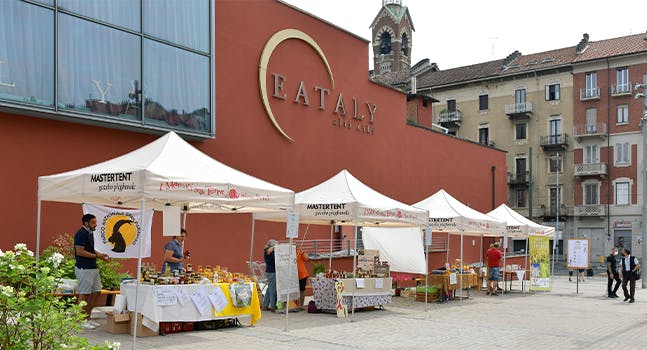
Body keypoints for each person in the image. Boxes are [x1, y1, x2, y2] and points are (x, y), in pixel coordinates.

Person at [74, 213, 109, 330]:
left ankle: (87, 318)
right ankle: (80, 320)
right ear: (86, 223)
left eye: (96, 222)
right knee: (84, 293)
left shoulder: (89, 233)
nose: (96, 225)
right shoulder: (81, 234)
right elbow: (80, 251)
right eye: (93, 223)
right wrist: (96, 256)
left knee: (96, 292)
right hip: (84, 268)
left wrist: (100, 255)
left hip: (92, 267)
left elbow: (90, 249)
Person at [261, 239, 278, 311]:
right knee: (272, 289)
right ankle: (273, 306)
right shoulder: (269, 251)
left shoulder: (269, 251)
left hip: (270, 272)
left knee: (269, 288)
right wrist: (276, 247)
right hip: (272, 272)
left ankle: (265, 305)